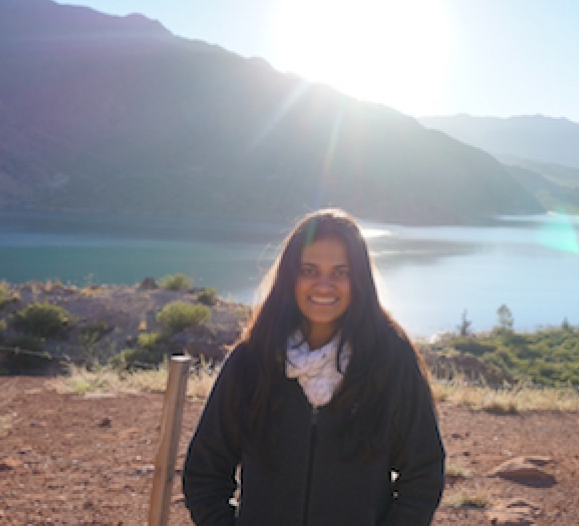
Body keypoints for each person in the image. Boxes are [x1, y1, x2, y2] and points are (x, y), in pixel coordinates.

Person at [182, 209, 445, 526]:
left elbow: (423, 472)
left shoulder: (391, 361)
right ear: (290, 278)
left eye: (340, 272)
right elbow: (205, 472)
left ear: (359, 279)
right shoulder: (251, 361)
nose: (324, 285)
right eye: (309, 270)